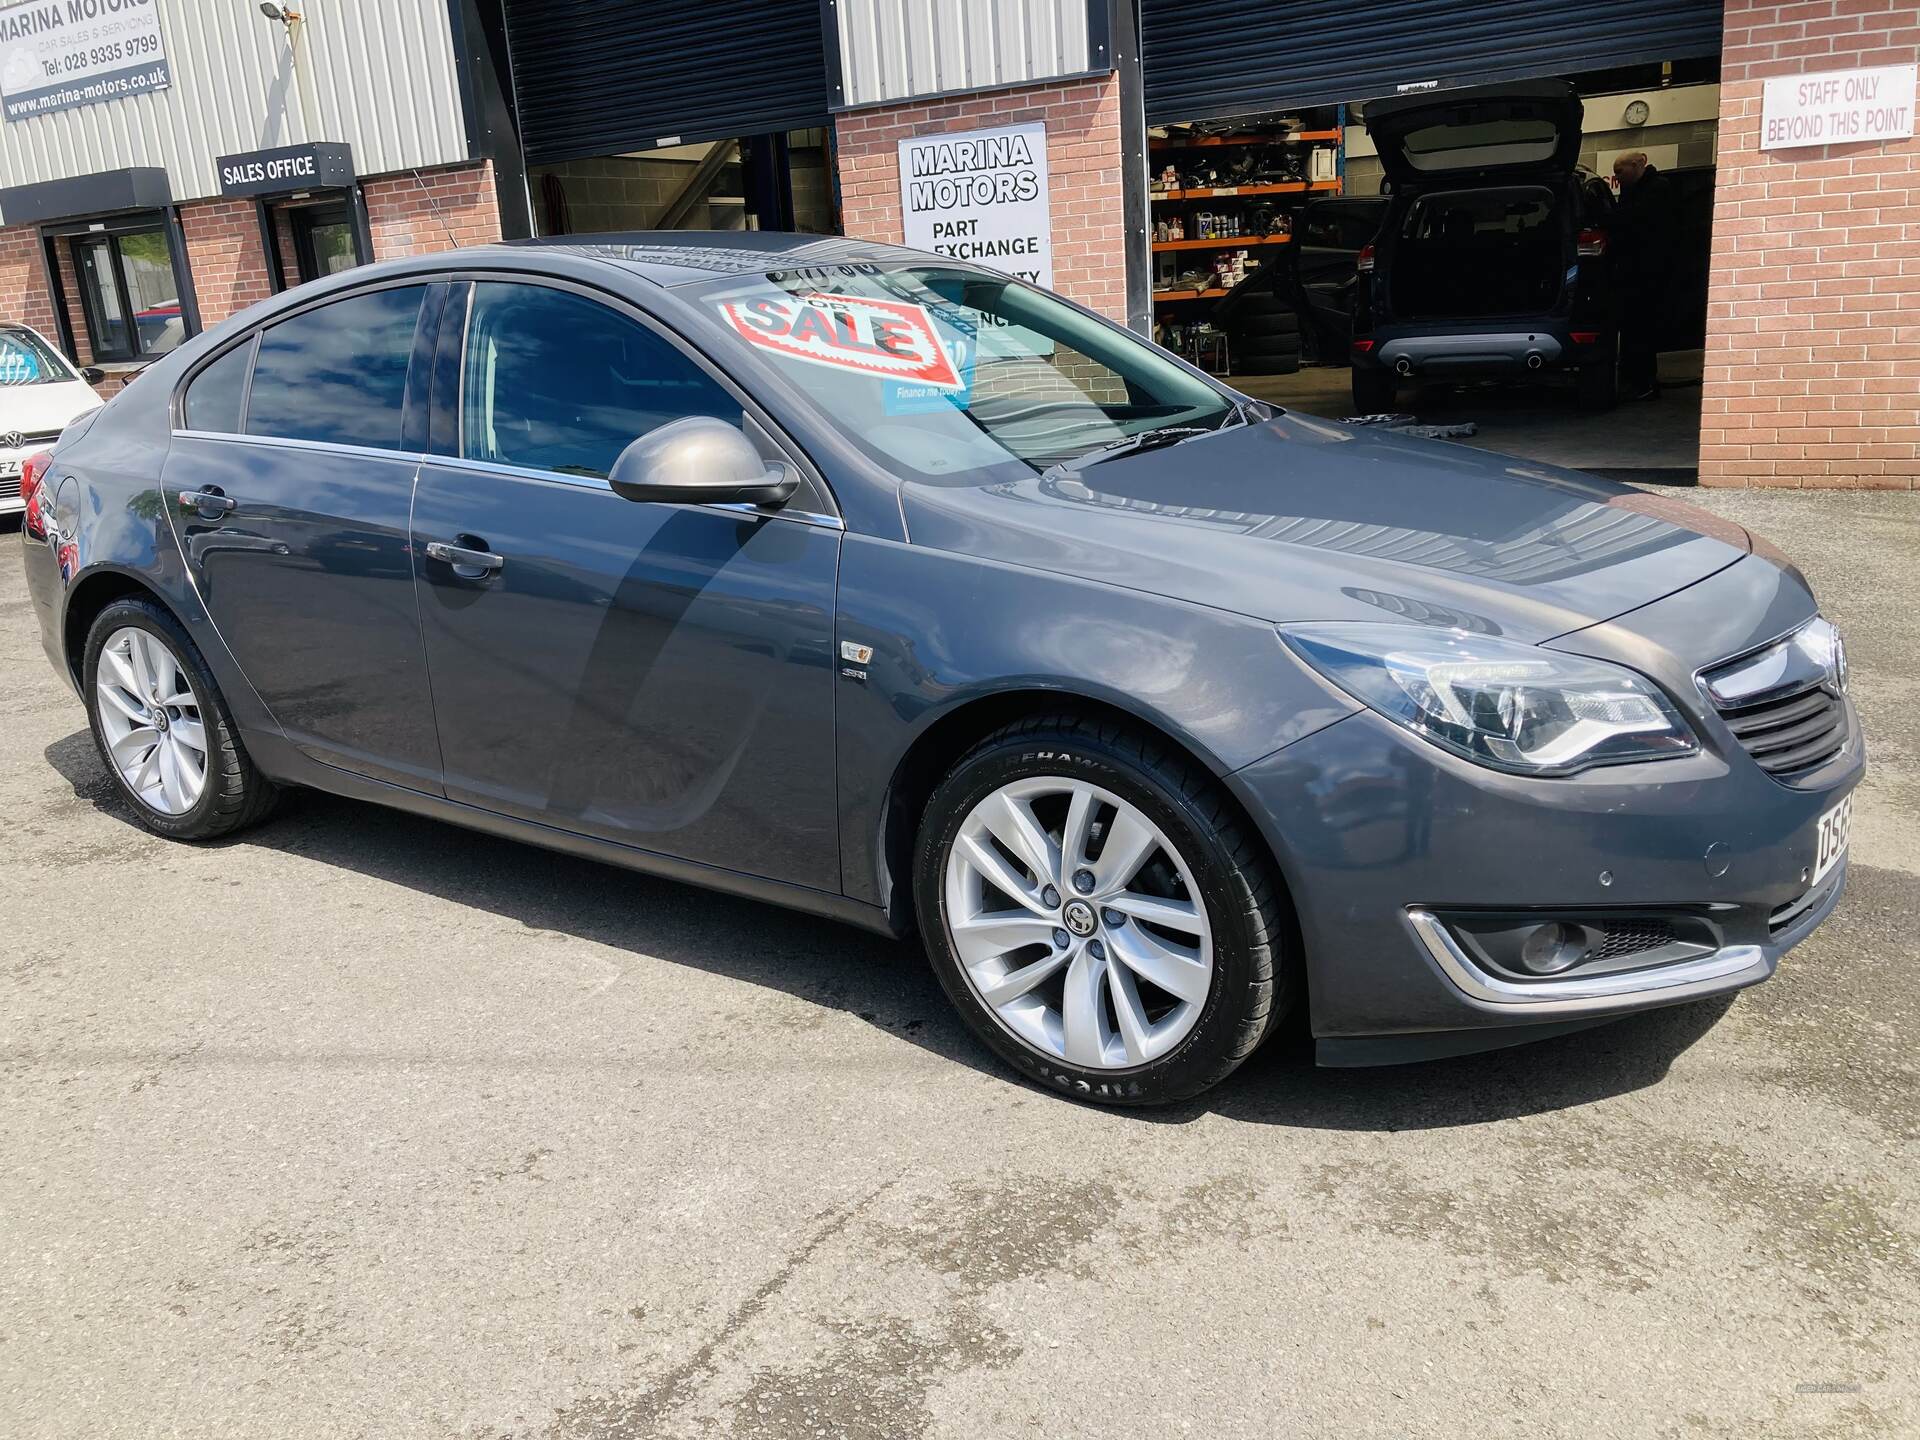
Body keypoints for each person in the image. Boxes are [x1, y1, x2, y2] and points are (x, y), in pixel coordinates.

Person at [1611, 152, 1677, 401]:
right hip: (1633, 272)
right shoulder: (1633, 191)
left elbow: (1636, 225)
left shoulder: (1657, 190)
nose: (1617, 177)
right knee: (1632, 329)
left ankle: (1645, 383)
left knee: (1642, 330)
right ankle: (1636, 381)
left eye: (1620, 171)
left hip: (1648, 273)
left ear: (1638, 165)